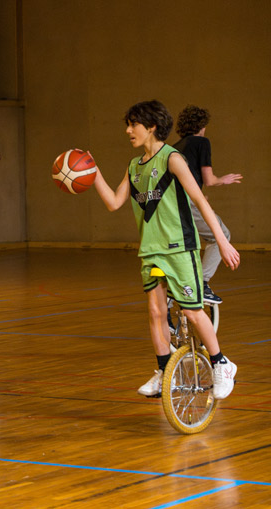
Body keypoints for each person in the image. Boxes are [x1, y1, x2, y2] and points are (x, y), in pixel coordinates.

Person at [91, 100, 239, 400]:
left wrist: (222, 242)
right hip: (150, 250)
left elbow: (199, 199)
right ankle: (163, 371)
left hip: (179, 248)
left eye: (134, 124)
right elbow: (113, 203)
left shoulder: (172, 158)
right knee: (156, 313)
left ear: (152, 127)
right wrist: (91, 173)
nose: (128, 130)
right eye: (128, 124)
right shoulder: (134, 166)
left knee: (192, 311)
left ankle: (221, 363)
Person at [173, 105, 242, 303]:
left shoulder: (177, 146)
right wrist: (223, 179)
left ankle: (180, 288)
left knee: (188, 244)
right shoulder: (201, 142)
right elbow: (209, 179)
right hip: (189, 201)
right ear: (202, 125)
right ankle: (201, 284)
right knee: (220, 236)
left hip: (173, 204)